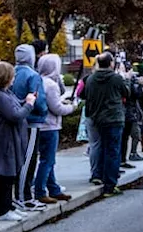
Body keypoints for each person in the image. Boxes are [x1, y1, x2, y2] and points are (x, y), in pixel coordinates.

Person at [0, 62, 36, 221]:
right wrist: (29, 105)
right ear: (5, 77)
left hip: (7, 139)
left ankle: (9, 206)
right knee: (5, 176)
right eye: (12, 75)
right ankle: (3, 211)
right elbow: (14, 115)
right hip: (4, 140)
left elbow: (14, 106)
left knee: (9, 174)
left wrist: (25, 100)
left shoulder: (3, 93)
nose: (14, 78)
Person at [83, 52, 128, 196]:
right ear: (111, 64)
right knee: (113, 150)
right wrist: (126, 78)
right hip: (113, 118)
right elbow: (127, 93)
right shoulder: (116, 78)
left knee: (97, 146)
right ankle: (110, 184)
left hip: (96, 117)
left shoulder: (90, 79)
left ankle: (96, 174)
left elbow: (84, 95)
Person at [33, 53, 77, 203]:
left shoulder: (38, 81)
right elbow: (56, 108)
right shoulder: (51, 85)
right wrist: (72, 107)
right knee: (48, 160)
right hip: (50, 126)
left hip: (40, 126)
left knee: (47, 159)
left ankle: (54, 188)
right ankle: (40, 190)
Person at [13, 45, 48, 211]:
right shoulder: (33, 76)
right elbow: (38, 100)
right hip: (32, 120)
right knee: (29, 159)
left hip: (17, 120)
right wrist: (44, 111)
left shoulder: (12, 73)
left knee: (21, 158)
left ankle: (20, 195)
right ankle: (24, 197)